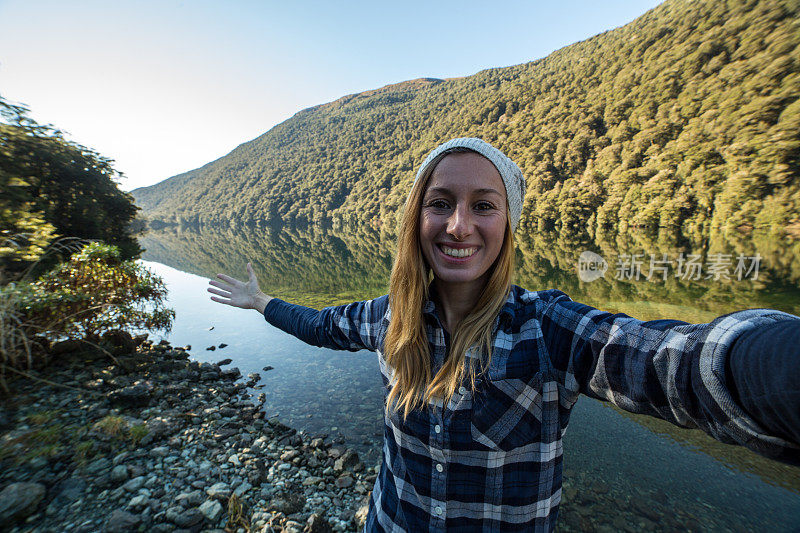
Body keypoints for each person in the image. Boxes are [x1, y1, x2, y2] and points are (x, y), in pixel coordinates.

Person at [208, 137, 800, 532]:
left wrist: (770, 368)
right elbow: (321, 326)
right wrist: (261, 302)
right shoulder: (390, 318)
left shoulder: (547, 331)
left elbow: (673, 365)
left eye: (483, 205)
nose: (458, 225)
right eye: (440, 203)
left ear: (507, 222)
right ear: (417, 218)